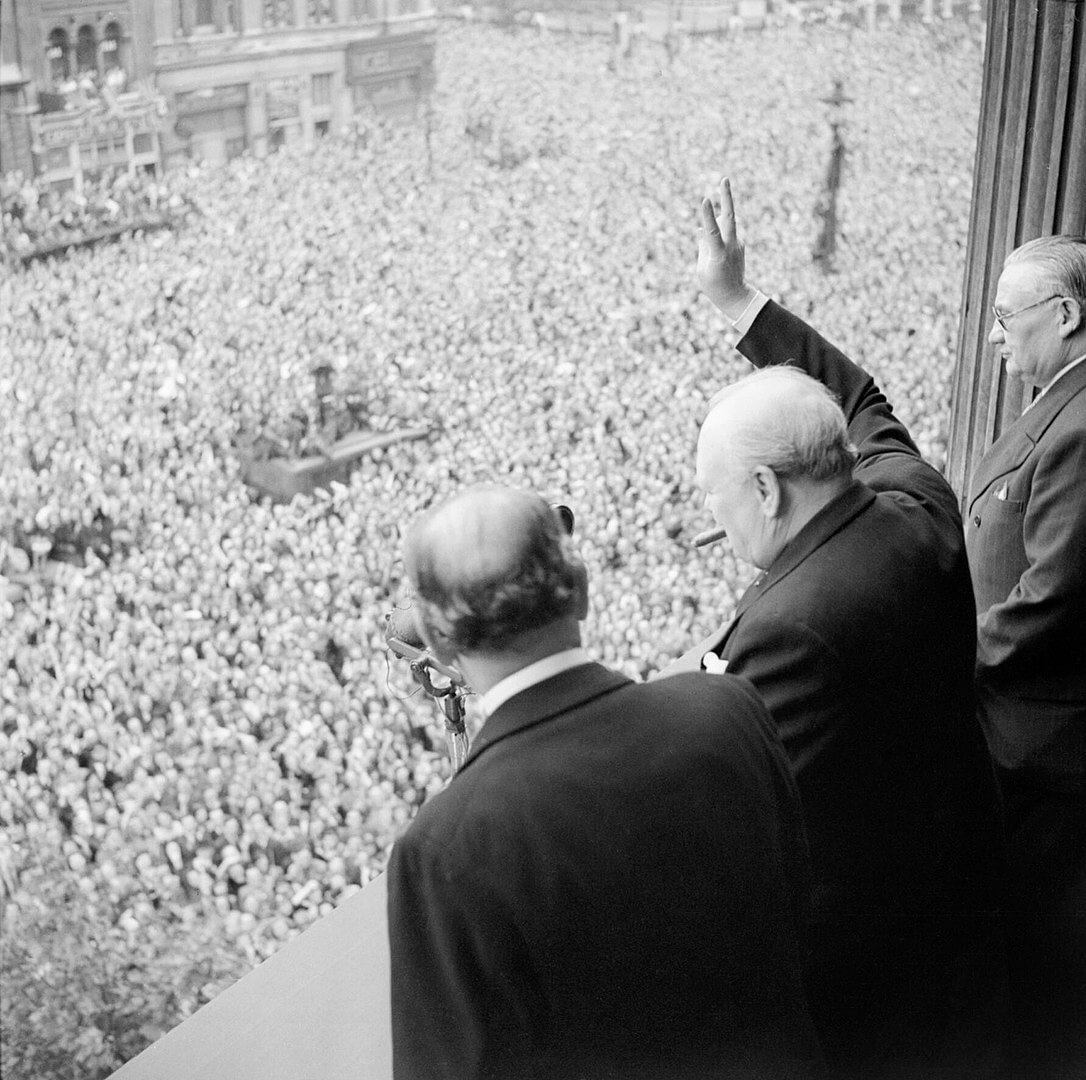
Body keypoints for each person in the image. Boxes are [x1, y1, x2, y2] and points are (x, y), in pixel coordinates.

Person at [663, 179, 1005, 1076]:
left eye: (715, 497)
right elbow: (858, 400)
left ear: (766, 488)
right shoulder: (916, 495)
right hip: (966, 869)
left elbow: (739, 809)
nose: (714, 517)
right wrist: (739, 302)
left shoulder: (787, 628)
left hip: (869, 963)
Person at [386, 485, 823, 1080]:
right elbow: (801, 913)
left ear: (439, 644)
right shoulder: (728, 708)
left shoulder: (444, 849)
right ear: (584, 590)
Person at [968, 235, 1086, 1078]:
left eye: (1007, 317)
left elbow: (1052, 597)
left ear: (1067, 314)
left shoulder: (1079, 427)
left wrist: (942, 656)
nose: (993, 335)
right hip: (1026, 743)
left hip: (1042, 754)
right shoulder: (1059, 400)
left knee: (1038, 973)